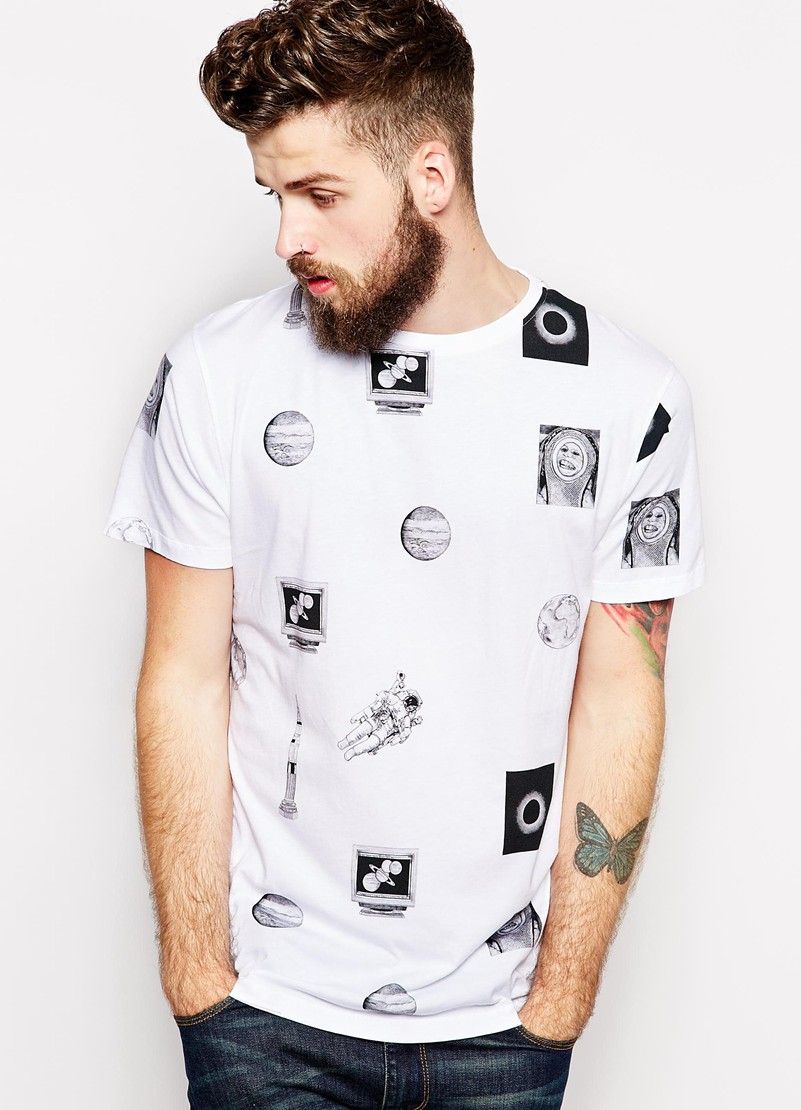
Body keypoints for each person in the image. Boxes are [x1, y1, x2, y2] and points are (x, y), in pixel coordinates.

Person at [102, 1, 705, 1106]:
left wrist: (562, 993)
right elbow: (182, 679)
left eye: (321, 194)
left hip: (505, 1028)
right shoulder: (218, 376)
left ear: (432, 175)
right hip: (264, 1019)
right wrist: (197, 976)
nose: (287, 236)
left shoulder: (625, 399)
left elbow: (623, 693)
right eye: (274, 195)